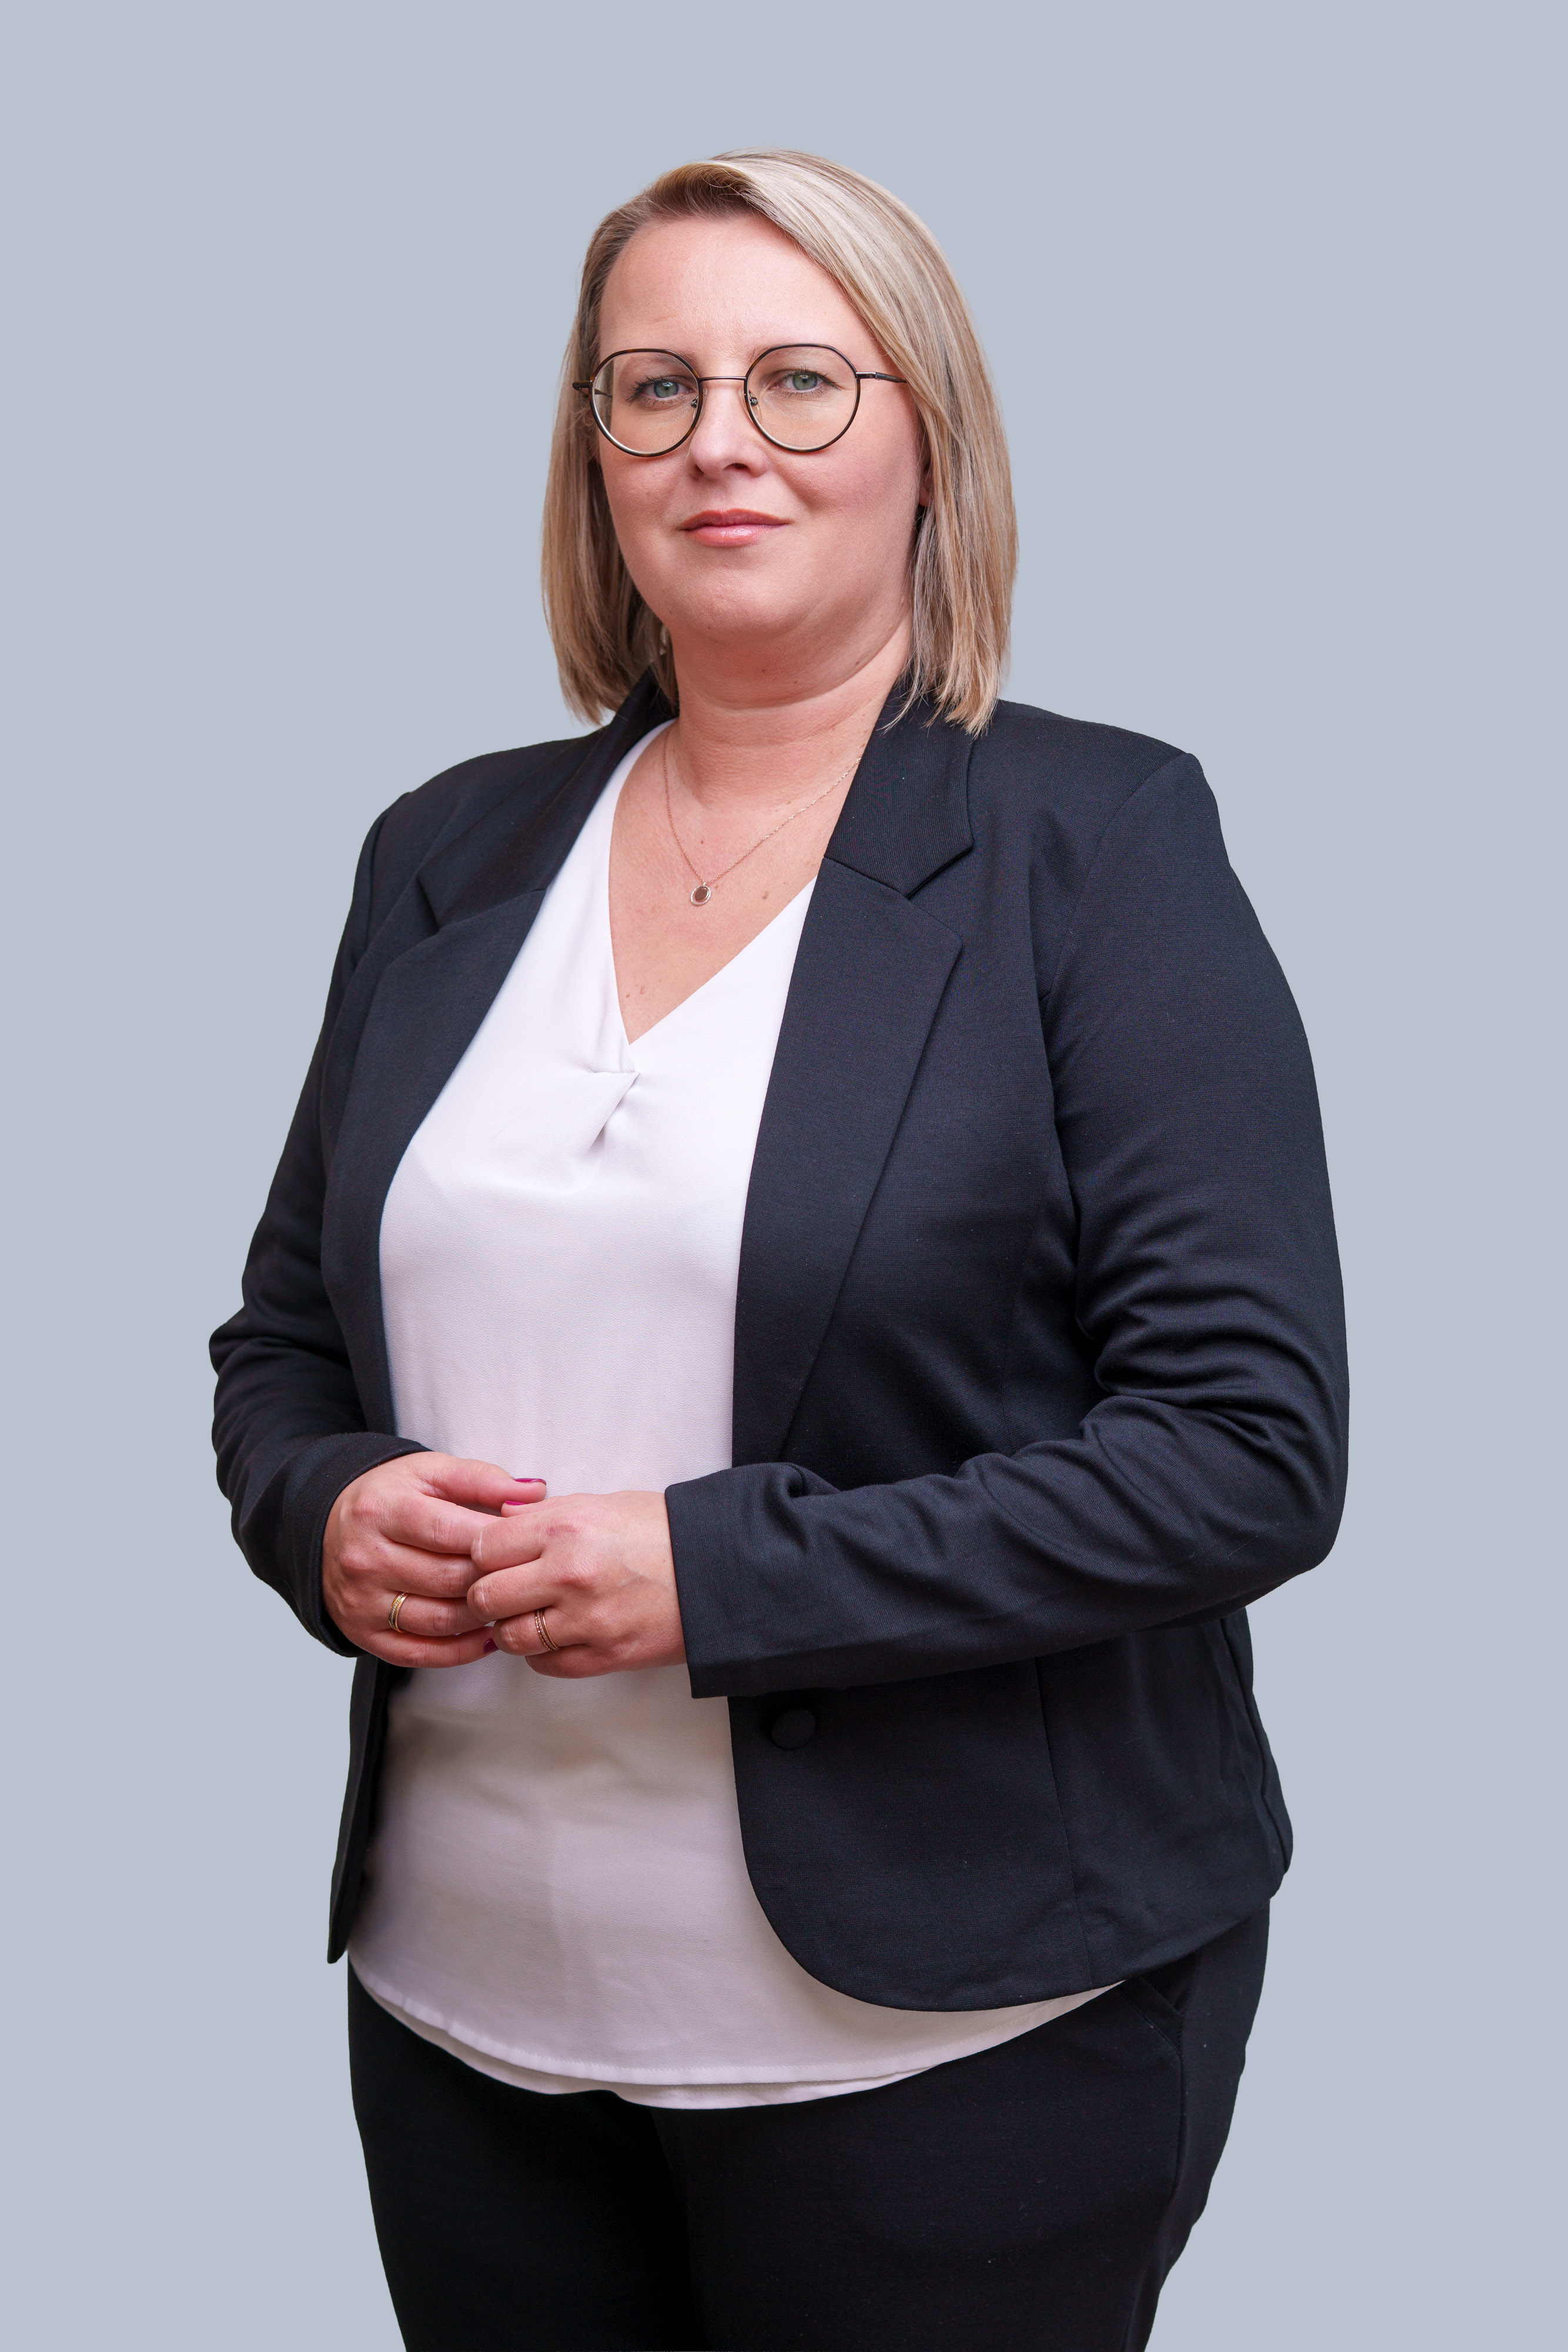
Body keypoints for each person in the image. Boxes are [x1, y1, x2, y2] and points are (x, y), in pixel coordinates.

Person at [211, 148, 1348, 2352]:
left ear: (929, 435)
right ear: (595, 453)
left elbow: (1244, 1455)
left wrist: (717, 1577)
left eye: (798, 380)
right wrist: (324, 1509)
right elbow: (280, 1344)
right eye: (653, 386)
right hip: (464, 2022)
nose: (718, 439)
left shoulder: (1095, 845)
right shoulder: (443, 852)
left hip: (961, 2038)